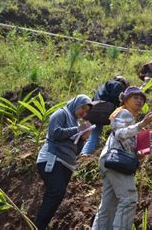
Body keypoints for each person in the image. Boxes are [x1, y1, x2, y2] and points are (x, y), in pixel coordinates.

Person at [92, 87, 152, 229]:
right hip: (116, 161)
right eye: (135, 97)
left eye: (142, 99)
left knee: (108, 206)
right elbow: (120, 133)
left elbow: (125, 140)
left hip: (109, 160)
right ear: (126, 100)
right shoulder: (124, 113)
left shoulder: (128, 117)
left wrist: (139, 153)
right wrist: (142, 124)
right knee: (129, 199)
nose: (139, 100)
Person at [35, 95, 94, 230]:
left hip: (66, 164)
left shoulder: (75, 123)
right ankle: (39, 225)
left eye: (86, 112)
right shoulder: (62, 113)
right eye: (82, 108)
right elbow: (55, 132)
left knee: (57, 195)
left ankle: (40, 225)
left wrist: (83, 138)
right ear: (76, 103)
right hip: (52, 158)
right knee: (56, 191)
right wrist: (78, 130)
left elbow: (76, 150)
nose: (83, 113)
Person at [81, 76, 129, 155]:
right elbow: (115, 97)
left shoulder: (103, 86)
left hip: (94, 111)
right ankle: (115, 151)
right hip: (105, 111)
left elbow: (93, 100)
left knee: (95, 134)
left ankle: (85, 153)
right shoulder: (117, 84)